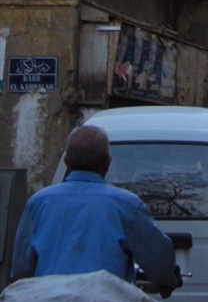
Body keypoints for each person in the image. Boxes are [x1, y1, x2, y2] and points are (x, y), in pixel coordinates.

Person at [11, 124, 180, 292]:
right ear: (108, 162)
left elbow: (21, 268)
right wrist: (168, 282)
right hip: (105, 301)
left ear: (66, 161)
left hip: (47, 300)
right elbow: (160, 261)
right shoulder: (127, 205)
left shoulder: (38, 202)